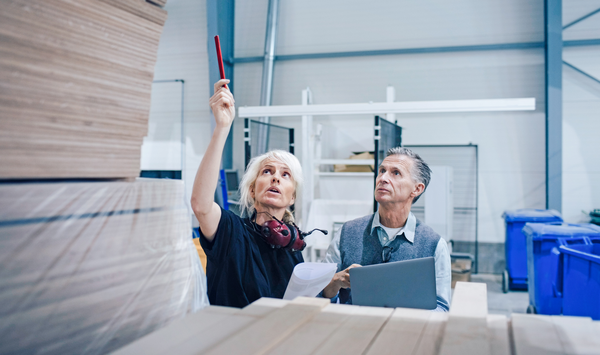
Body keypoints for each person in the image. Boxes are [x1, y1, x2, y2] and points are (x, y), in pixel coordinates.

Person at [191, 79, 304, 308]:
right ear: (252, 189)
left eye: (285, 175)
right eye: (267, 171)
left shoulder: (292, 248)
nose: (275, 178)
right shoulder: (232, 232)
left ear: (292, 198)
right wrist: (222, 128)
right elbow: (201, 205)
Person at [322, 147, 451, 311]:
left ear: (417, 189)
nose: (383, 178)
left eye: (395, 173)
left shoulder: (434, 245)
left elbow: (441, 308)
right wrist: (337, 280)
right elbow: (320, 294)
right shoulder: (347, 233)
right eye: (382, 171)